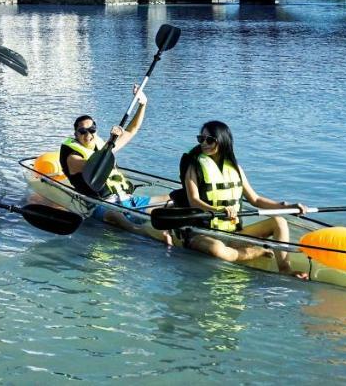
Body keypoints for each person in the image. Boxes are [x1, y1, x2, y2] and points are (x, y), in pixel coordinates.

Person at [179, 120, 311, 277]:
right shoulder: (193, 167)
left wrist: (287, 206)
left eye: (210, 140)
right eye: (201, 139)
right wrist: (217, 210)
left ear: (222, 141)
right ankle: (258, 251)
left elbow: (255, 199)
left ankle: (285, 269)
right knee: (217, 250)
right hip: (201, 233)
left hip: (234, 233)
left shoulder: (236, 168)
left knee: (280, 221)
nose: (204, 143)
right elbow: (194, 200)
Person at [60, 87, 172, 241]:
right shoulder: (72, 157)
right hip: (101, 205)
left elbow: (132, 130)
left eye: (92, 129)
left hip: (127, 199)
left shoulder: (102, 146)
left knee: (172, 199)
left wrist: (142, 104)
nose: (88, 134)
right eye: (83, 131)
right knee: (114, 215)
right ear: (76, 135)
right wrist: (111, 141)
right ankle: (143, 233)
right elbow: (95, 165)